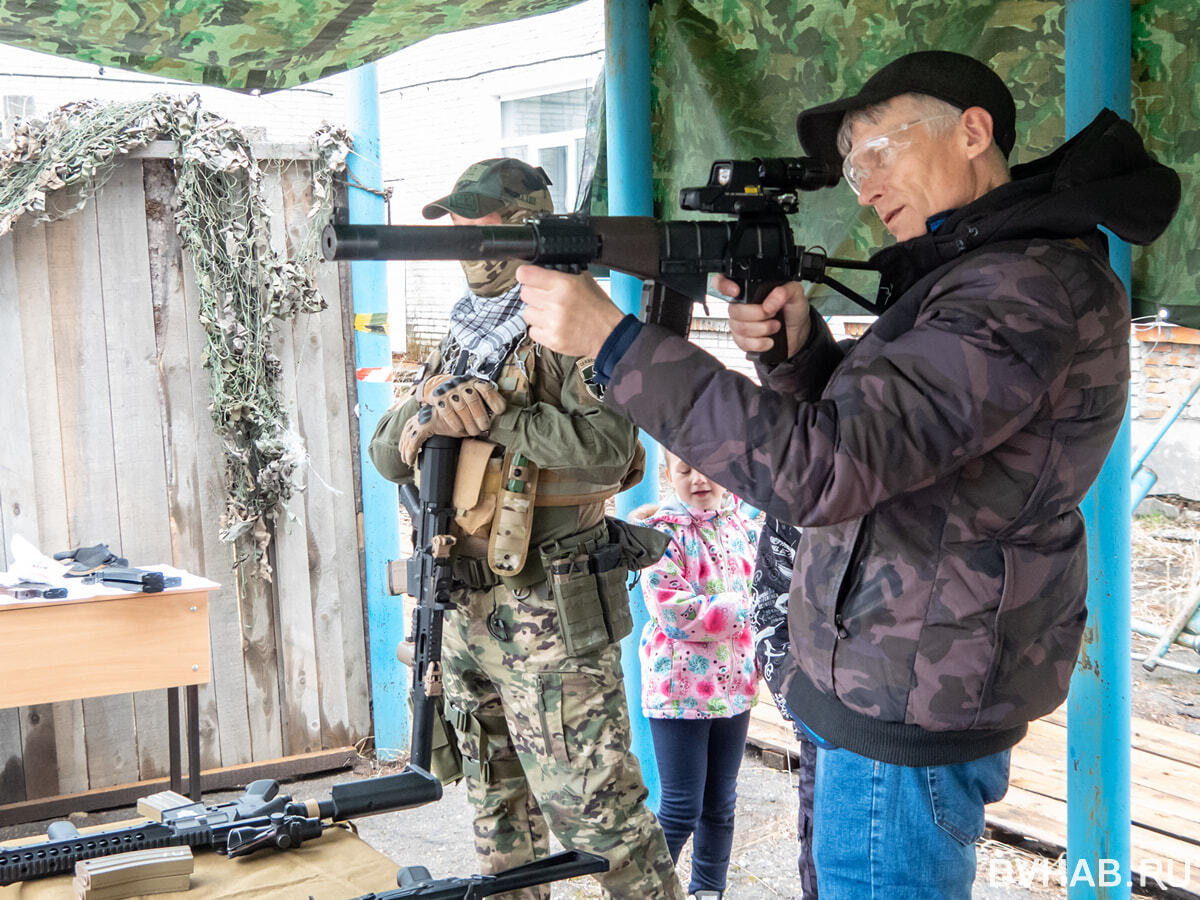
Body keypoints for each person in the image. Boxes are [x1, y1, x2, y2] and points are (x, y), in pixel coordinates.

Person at [514, 50, 1180, 897]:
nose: (863, 186)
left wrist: (614, 342)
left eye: (877, 152)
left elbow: (823, 473)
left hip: (907, 703)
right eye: (851, 165)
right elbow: (897, 444)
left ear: (972, 131)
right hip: (880, 673)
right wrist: (802, 357)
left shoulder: (1023, 286)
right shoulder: (978, 270)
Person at [368, 157, 682, 899]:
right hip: (464, 606)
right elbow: (385, 456)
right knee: (497, 813)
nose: (472, 252)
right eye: (462, 235)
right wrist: (426, 415)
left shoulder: (576, 324)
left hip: (549, 617)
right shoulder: (460, 337)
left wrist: (500, 415)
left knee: (603, 822)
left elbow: (613, 453)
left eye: (490, 233)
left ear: (533, 231)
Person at [634, 451, 760, 900]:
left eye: (706, 466)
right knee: (682, 807)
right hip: (678, 691)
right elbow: (675, 612)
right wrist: (748, 611)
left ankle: (708, 890)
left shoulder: (743, 527)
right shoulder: (661, 535)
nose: (697, 478)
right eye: (683, 469)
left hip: (736, 688)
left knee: (720, 805)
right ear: (669, 474)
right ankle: (647, 892)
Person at [749, 515, 817, 899]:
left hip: (928, 746)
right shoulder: (798, 504)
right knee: (819, 868)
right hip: (828, 734)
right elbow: (769, 611)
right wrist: (808, 710)